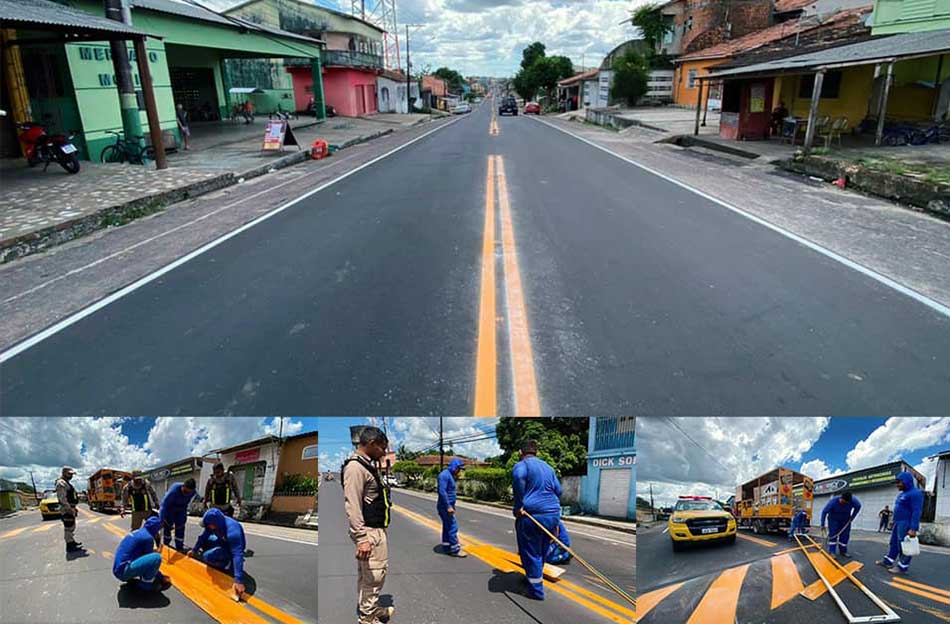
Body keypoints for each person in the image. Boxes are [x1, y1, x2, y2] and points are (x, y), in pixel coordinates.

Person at [342, 426, 394, 624]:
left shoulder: (366, 465)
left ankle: (371, 609)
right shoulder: (356, 468)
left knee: (369, 576)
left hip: (375, 530)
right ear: (372, 444)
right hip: (369, 533)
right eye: (382, 448)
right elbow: (353, 505)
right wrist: (362, 538)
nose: (383, 452)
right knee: (374, 577)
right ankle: (367, 618)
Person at [512, 439, 562, 600]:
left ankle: (536, 591)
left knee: (531, 552)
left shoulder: (522, 465)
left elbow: (518, 477)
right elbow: (559, 490)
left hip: (532, 515)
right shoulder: (548, 467)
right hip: (552, 514)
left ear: (520, 452)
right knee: (542, 550)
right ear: (536, 452)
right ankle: (534, 577)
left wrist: (519, 506)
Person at [187, 508, 247, 600]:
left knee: (207, 557)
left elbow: (237, 554)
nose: (207, 527)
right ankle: (220, 554)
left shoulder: (233, 532)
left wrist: (238, 580)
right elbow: (203, 537)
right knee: (205, 541)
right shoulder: (215, 523)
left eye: (208, 525)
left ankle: (228, 563)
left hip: (231, 548)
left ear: (213, 525)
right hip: (222, 541)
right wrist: (194, 550)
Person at [876, 472, 924, 574]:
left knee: (905, 545)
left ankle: (902, 567)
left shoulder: (915, 493)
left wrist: (913, 528)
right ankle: (888, 561)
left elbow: (917, 511)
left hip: (906, 523)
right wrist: (893, 521)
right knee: (893, 543)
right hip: (898, 522)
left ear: (906, 481)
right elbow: (899, 509)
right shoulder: (902, 494)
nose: (897, 485)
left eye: (899, 482)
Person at [113, 516, 171, 591]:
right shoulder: (148, 538)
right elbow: (152, 562)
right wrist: (161, 577)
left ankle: (132, 577)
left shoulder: (138, 532)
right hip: (124, 571)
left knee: (144, 556)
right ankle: (145, 585)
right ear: (155, 529)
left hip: (118, 569)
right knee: (157, 557)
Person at [437, 457, 468, 557]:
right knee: (452, 527)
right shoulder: (444, 475)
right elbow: (442, 492)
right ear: (454, 466)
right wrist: (448, 506)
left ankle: (447, 547)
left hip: (448, 506)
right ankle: (455, 549)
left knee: (447, 527)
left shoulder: (449, 475)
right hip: (445, 507)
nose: (459, 471)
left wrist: (452, 506)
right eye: (458, 469)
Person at [160, 478, 196, 552]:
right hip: (170, 509)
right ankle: (166, 545)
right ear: (183, 486)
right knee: (167, 527)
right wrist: (161, 519)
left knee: (180, 527)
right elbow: (163, 505)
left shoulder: (193, 492)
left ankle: (179, 547)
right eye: (185, 491)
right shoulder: (174, 491)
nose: (186, 494)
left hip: (182, 509)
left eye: (188, 492)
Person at [820, 491, 861, 557]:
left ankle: (843, 551)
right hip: (833, 520)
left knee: (845, 536)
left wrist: (852, 517)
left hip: (845, 520)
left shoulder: (853, 501)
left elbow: (858, 506)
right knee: (833, 535)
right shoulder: (833, 502)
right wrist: (822, 524)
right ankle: (832, 552)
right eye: (842, 502)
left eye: (845, 503)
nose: (843, 503)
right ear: (841, 498)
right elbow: (824, 512)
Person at [56, 466, 85, 553]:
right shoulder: (61, 483)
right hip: (66, 509)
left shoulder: (66, 483)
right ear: (64, 473)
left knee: (71, 526)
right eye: (69, 474)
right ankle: (69, 546)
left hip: (70, 508)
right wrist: (69, 509)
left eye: (72, 474)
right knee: (68, 527)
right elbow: (62, 499)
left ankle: (72, 542)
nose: (71, 476)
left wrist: (74, 508)